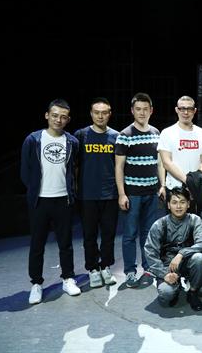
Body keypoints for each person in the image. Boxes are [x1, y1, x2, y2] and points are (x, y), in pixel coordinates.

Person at [21, 99, 81, 304]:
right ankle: (36, 284)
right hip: (40, 201)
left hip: (63, 199)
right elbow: (25, 171)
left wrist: (71, 191)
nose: (58, 120)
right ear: (47, 115)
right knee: (37, 244)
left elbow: (74, 170)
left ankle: (68, 279)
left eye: (63, 117)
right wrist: (35, 191)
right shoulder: (33, 140)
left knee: (66, 243)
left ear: (68, 119)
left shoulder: (72, 142)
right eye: (55, 115)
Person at [115, 92, 166, 288]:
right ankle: (130, 271)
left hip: (151, 193)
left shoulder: (156, 133)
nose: (142, 112)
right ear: (132, 111)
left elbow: (159, 163)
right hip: (132, 194)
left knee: (148, 233)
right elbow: (119, 167)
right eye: (138, 109)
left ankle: (148, 267)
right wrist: (122, 194)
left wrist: (162, 185)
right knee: (130, 234)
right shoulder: (125, 135)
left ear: (151, 111)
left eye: (145, 109)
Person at [74, 97, 119, 288]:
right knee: (89, 235)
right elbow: (74, 166)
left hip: (110, 194)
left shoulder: (116, 136)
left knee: (109, 235)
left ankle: (105, 266)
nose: (100, 116)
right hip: (87, 195)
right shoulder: (81, 135)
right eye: (97, 113)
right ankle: (92, 269)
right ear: (91, 114)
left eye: (104, 113)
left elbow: (120, 167)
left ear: (109, 114)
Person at [144, 187, 202, 310]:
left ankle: (193, 292)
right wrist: (164, 274)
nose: (178, 206)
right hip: (167, 266)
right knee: (166, 293)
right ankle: (175, 287)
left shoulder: (194, 220)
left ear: (188, 204)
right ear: (168, 205)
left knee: (199, 259)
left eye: (182, 202)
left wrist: (182, 254)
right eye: (174, 202)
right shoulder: (159, 225)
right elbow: (150, 253)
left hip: (188, 262)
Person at [157, 95, 202, 194]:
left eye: (189, 109)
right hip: (174, 188)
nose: (186, 112)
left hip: (197, 188)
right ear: (177, 110)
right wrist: (188, 181)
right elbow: (166, 162)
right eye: (182, 109)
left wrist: (195, 180)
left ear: (194, 111)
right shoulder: (167, 133)